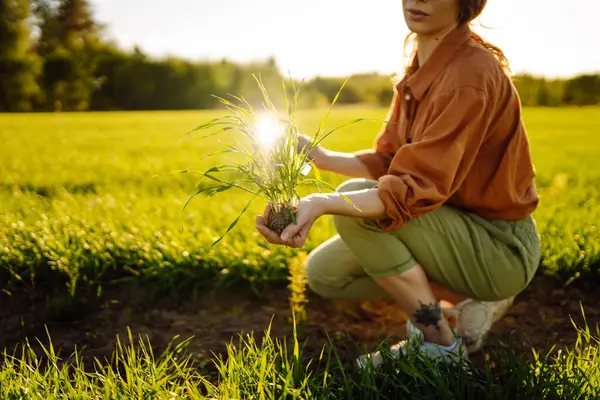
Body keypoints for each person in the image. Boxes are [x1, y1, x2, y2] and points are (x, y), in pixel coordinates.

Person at [256, 0, 541, 369]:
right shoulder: (420, 65)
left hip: (498, 246)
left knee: (351, 205)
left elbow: (410, 188)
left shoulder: (470, 75)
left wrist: (322, 202)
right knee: (325, 274)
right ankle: (469, 303)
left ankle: (440, 343)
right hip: (448, 226)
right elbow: (392, 160)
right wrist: (321, 156)